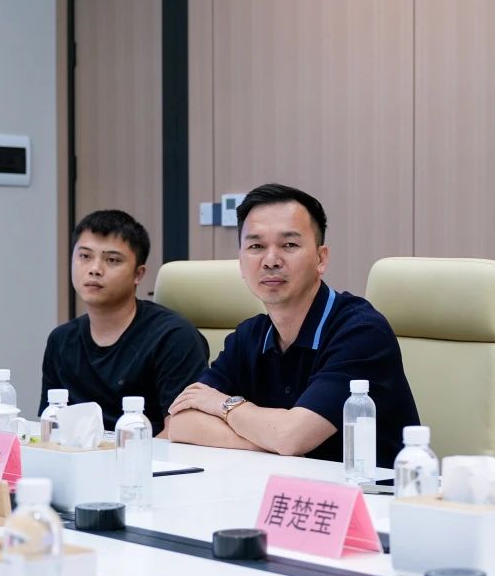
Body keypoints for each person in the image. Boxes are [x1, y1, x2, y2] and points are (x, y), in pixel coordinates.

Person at [164, 183, 419, 465]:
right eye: (256, 246)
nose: (271, 260)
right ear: (241, 262)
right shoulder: (248, 335)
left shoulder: (361, 332)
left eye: (289, 245)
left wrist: (223, 405)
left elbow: (291, 437)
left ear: (321, 259)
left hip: (365, 489)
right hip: (274, 484)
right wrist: (270, 441)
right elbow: (181, 422)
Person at [40, 210, 209, 430]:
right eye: (85, 256)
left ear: (138, 274)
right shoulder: (61, 340)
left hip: (147, 451)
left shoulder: (174, 338)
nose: (94, 269)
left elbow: (181, 433)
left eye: (112, 260)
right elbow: (50, 424)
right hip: (77, 451)